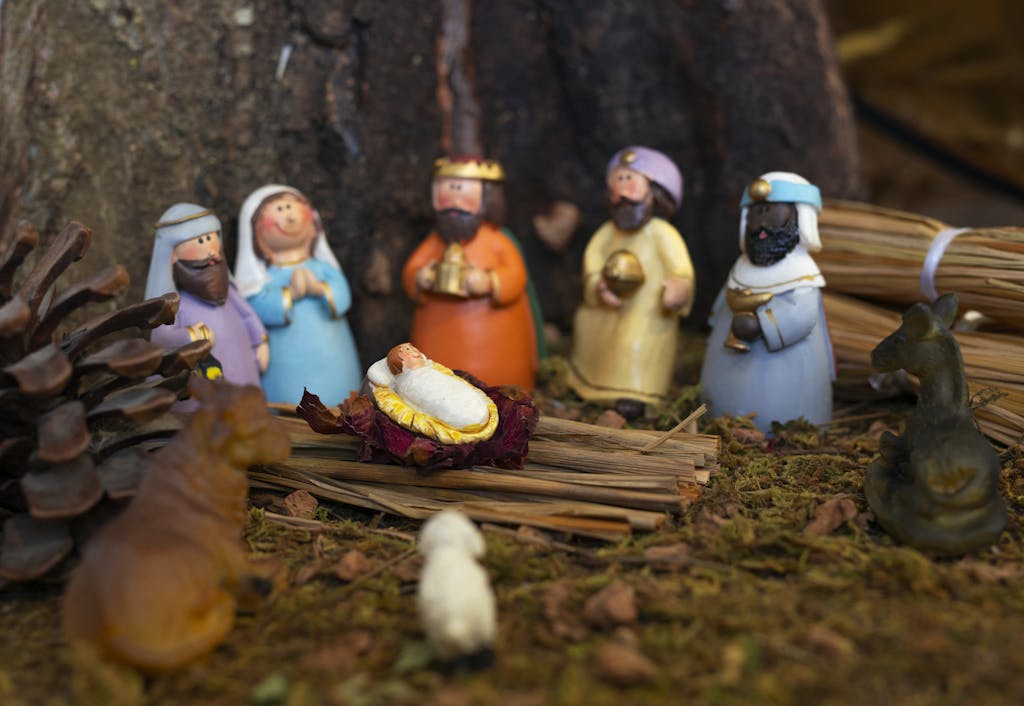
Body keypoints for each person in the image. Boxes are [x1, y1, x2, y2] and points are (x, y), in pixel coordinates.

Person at [700, 171, 834, 432]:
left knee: (780, 411)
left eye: (773, 213)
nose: (761, 224)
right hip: (727, 363)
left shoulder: (801, 275)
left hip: (786, 375)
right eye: (756, 213)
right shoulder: (741, 269)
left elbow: (802, 315)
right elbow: (723, 303)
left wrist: (762, 325)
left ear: (800, 218)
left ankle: (785, 430)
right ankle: (717, 414)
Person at [567, 146, 695, 415]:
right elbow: (593, 259)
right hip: (607, 306)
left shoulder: (661, 233)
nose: (624, 192)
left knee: (634, 344)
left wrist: (679, 286)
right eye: (619, 180)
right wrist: (598, 285)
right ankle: (586, 383)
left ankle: (635, 394)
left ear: (655, 193)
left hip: (646, 310)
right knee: (589, 331)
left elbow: (680, 268)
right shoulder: (607, 232)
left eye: (630, 180)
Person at [402, 156, 540, 391]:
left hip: (493, 344)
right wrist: (419, 278)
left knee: (496, 388)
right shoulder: (434, 242)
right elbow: (411, 271)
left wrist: (490, 282)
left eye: (461, 189)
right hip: (437, 339)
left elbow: (516, 277)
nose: (454, 199)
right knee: (437, 386)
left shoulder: (497, 241)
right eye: (447, 188)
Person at [234, 184, 361, 405]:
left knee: (341, 396)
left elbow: (343, 297)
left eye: (291, 207)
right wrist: (289, 293)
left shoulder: (323, 269)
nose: (289, 216)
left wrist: (319, 288)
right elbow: (254, 309)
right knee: (292, 401)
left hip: (333, 354)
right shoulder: (263, 280)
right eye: (279, 209)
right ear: (257, 233)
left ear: (313, 225)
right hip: (285, 365)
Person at [145, 202, 267, 387]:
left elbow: (247, 314)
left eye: (211, 238)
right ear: (173, 255)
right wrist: (189, 336)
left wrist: (260, 341)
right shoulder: (172, 306)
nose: (210, 251)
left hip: (244, 369)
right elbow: (162, 338)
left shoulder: (229, 293)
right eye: (201, 241)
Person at [366, 342, 498, 445]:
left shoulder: (434, 371)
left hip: (468, 403)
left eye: (411, 347)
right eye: (406, 350)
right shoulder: (406, 383)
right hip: (452, 409)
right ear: (399, 363)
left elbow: (451, 384)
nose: (413, 350)